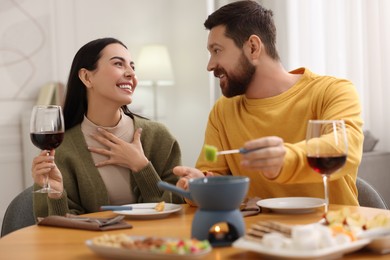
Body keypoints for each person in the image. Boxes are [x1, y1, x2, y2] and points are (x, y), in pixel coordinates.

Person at [173, 0, 363, 206]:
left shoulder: (332, 91)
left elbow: (346, 149)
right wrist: (199, 186)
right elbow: (214, 177)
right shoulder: (223, 111)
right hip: (259, 235)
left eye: (217, 51)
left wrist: (285, 159)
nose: (210, 65)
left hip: (335, 232)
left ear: (253, 47)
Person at [32, 37, 184, 218]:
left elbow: (178, 207)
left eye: (132, 67)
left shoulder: (159, 136)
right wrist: (56, 195)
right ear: (87, 77)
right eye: (119, 64)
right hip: (88, 246)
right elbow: (52, 229)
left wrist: (141, 166)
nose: (131, 73)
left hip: (155, 243)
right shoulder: (62, 149)